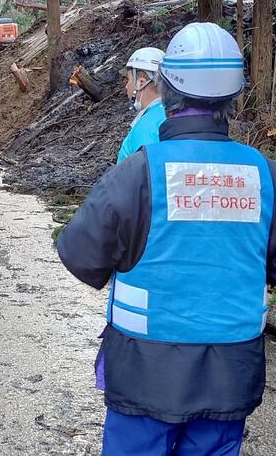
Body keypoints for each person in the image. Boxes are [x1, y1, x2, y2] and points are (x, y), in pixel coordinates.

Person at [57, 22, 276, 456]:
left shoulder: (139, 173)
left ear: (167, 89)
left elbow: (80, 254)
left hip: (145, 374)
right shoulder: (264, 174)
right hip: (230, 373)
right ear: (232, 97)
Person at [117, 47, 166, 163]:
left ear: (141, 83)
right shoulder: (173, 113)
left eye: (128, 80)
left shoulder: (146, 127)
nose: (126, 86)